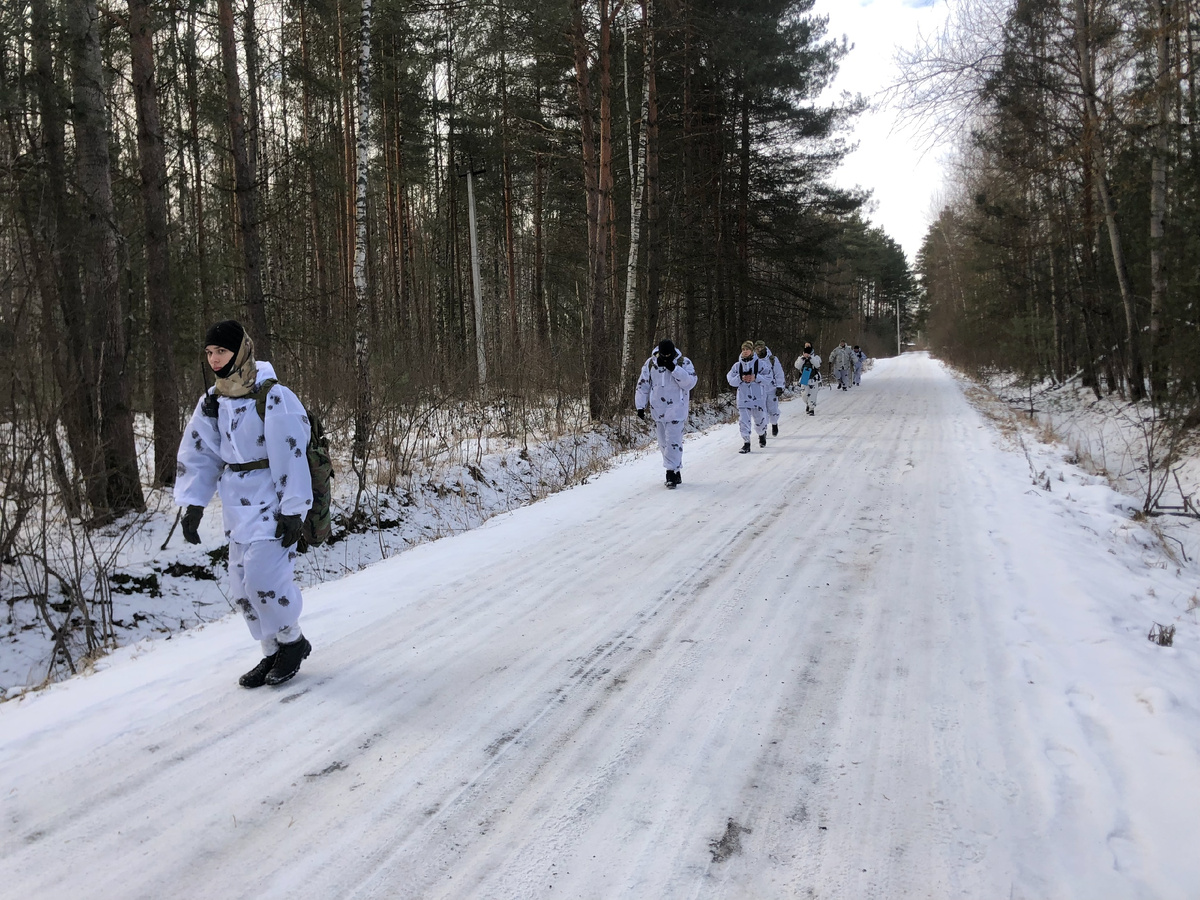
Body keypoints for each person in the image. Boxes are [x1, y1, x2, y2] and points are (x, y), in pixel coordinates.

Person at [175, 320, 315, 688]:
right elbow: (201, 452)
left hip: (272, 499)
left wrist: (294, 508)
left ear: (240, 350)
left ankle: (293, 641)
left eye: (221, 351)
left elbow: (292, 452)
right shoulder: (214, 400)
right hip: (237, 504)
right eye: (209, 353)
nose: (214, 359)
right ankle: (271, 649)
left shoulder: (271, 395)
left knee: (263, 577)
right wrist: (193, 502)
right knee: (241, 584)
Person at [635, 338, 698, 487]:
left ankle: (670, 473)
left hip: (677, 409)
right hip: (658, 410)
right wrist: (640, 406)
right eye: (664, 355)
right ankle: (676, 469)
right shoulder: (651, 363)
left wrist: (674, 368)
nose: (666, 358)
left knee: (674, 442)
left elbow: (690, 383)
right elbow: (643, 385)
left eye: (669, 355)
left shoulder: (683, 362)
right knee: (663, 443)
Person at [727, 340, 769, 453]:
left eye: (747, 349)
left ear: (751, 350)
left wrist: (756, 378)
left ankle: (762, 434)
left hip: (757, 398)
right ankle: (746, 443)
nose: (745, 351)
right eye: (743, 349)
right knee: (743, 421)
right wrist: (740, 379)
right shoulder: (737, 366)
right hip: (743, 398)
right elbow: (730, 380)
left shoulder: (760, 364)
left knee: (759, 420)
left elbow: (769, 379)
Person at [755, 340, 786, 436]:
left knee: (773, 409)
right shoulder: (753, 360)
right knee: (760, 411)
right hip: (759, 390)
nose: (759, 350)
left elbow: (779, 373)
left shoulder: (772, 359)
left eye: (760, 348)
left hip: (771, 388)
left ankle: (774, 424)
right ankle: (763, 431)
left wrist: (780, 386)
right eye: (757, 348)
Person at [793, 343, 822, 416]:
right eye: (806, 346)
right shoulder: (801, 357)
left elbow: (817, 364)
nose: (807, 347)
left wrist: (810, 357)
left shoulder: (816, 357)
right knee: (804, 394)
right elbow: (797, 366)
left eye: (808, 346)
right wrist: (803, 358)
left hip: (813, 377)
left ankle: (811, 408)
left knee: (813, 394)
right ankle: (807, 404)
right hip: (805, 376)